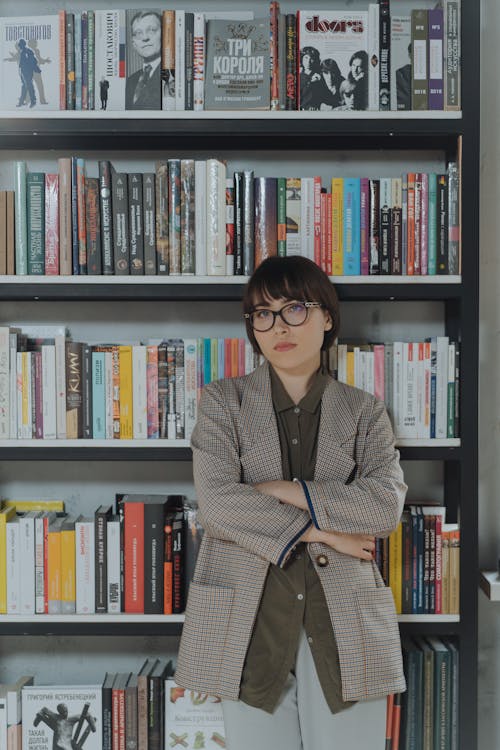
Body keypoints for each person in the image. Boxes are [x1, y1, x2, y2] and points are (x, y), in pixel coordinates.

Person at [175, 255, 407, 750]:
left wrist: (285, 490)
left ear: (327, 317)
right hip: (248, 625)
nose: (278, 325)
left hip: (345, 624)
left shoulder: (364, 411)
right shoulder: (222, 402)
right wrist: (322, 529)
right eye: (263, 313)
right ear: (252, 329)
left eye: (294, 309)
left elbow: (384, 507)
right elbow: (217, 505)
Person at [125, 10, 162, 110]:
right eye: (138, 33)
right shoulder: (129, 81)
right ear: (134, 44)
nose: (145, 37)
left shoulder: (173, 75)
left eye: (151, 30)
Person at [15, 38, 40, 108]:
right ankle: (22, 101)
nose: (19, 46)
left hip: (27, 72)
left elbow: (33, 61)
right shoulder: (22, 51)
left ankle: (33, 101)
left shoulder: (27, 51)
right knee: (24, 86)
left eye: (20, 45)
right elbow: (22, 63)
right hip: (23, 72)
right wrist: (20, 71)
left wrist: (35, 69)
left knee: (29, 86)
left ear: (22, 45)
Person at [299, 46, 325, 110]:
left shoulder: (320, 76)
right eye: (306, 58)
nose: (308, 61)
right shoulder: (298, 76)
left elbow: (323, 96)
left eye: (312, 58)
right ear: (301, 58)